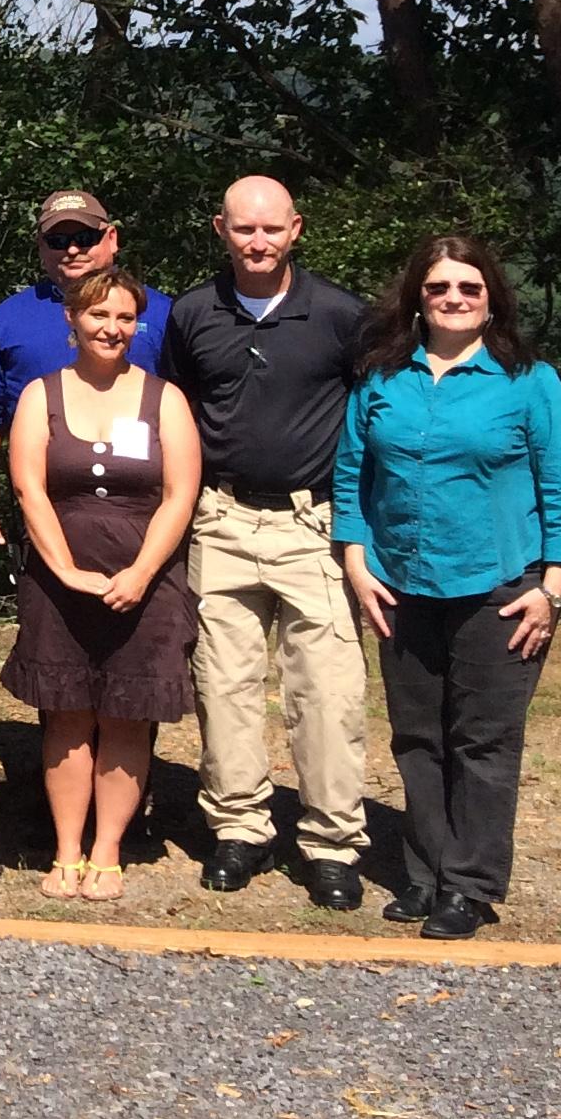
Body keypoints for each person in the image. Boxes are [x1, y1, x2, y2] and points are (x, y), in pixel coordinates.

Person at [333, 235, 561, 941]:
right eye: (440, 287)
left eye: (469, 289)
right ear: (418, 296)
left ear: (491, 300)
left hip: (500, 590)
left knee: (482, 740)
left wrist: (553, 587)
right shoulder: (382, 379)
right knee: (417, 738)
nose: (454, 298)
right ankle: (424, 874)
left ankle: (469, 886)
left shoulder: (528, 381)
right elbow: (353, 480)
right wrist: (356, 562)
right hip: (400, 584)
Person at [162, 175, 371, 912]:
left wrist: (362, 526)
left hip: (313, 526)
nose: (257, 243)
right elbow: (174, 412)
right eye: (243, 229)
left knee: (328, 692)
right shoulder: (192, 314)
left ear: (295, 230)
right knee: (224, 685)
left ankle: (331, 843)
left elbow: (374, 418)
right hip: (221, 521)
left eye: (270, 230)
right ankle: (240, 828)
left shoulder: (343, 315)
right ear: (220, 228)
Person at [3, 266, 200, 904]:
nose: (111, 328)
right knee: (65, 715)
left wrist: (141, 573)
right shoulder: (41, 394)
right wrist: (62, 568)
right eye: (98, 315)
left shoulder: (164, 399)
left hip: (146, 582)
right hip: (60, 584)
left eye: (124, 318)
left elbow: (180, 495)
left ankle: (107, 849)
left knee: (125, 717)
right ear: (72, 321)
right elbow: (29, 486)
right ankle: (65, 848)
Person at [0, 190, 165, 435]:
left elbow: (187, 407)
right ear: (41, 247)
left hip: (143, 469)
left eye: (85, 238)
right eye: (58, 241)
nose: (72, 250)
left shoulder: (162, 312)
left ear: (112, 238)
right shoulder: (8, 319)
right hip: (38, 469)